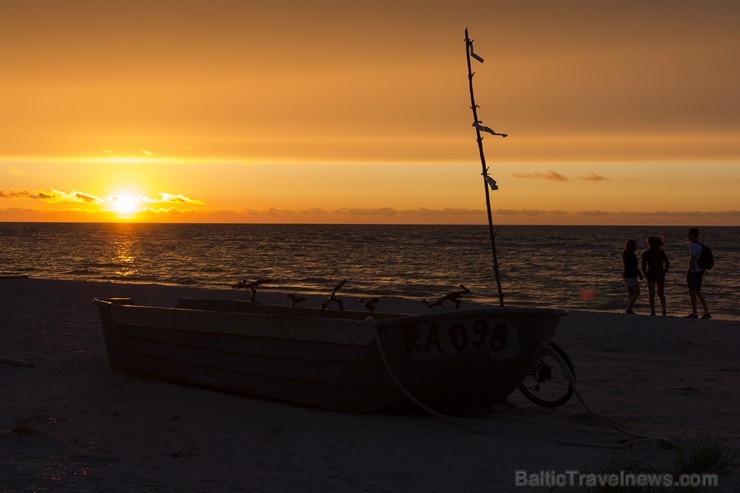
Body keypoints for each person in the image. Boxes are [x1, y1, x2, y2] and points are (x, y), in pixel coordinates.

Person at [686, 228, 711, 319]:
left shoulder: (693, 246)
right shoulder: (701, 244)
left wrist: (689, 271)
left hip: (694, 272)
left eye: (689, 234)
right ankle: (706, 312)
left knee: (692, 292)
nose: (688, 236)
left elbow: (692, 260)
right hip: (700, 271)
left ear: (692, 235)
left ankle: (694, 313)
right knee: (698, 291)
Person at [641, 236, 670, 316]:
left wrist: (645, 273)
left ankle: (653, 311)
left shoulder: (646, 253)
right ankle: (664, 310)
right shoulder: (661, 252)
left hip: (651, 274)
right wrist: (664, 272)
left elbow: (643, 265)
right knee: (661, 293)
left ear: (649, 243)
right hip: (660, 273)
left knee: (652, 293)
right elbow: (667, 263)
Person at [622, 239, 643, 314]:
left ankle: (628, 309)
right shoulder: (631, 255)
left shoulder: (625, 253)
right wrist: (640, 274)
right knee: (636, 293)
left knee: (630, 293)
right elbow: (634, 267)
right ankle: (629, 309)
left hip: (626, 275)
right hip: (631, 276)